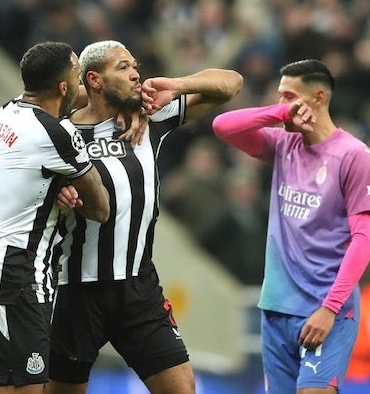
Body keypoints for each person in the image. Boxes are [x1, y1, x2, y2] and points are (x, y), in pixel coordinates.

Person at [48, 40, 243, 394]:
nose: (136, 73)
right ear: (94, 79)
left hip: (138, 289)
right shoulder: (59, 134)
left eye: (134, 64)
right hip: (75, 290)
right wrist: (55, 195)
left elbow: (231, 83)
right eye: (122, 67)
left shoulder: (149, 117)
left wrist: (178, 86)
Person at [212, 59, 370, 393]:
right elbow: (222, 126)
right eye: (278, 97)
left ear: (318, 99)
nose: (280, 105)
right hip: (277, 307)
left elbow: (365, 240)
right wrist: (279, 115)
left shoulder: (354, 156)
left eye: (288, 97)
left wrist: (329, 309)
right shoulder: (283, 145)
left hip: (325, 308)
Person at [0, 41, 110, 394]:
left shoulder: (7, 112)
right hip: (18, 276)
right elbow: (100, 207)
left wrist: (56, 183)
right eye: (77, 74)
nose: (81, 82)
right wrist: (71, 194)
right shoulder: (57, 134)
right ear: (64, 87)